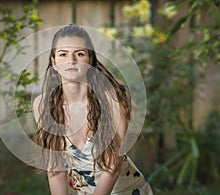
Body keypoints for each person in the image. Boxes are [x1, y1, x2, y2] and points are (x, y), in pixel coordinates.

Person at [32, 24, 153, 195]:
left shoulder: (111, 100)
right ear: (54, 62)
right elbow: (56, 171)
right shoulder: (42, 105)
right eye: (63, 54)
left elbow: (112, 169)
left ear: (90, 59)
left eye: (79, 54)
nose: (71, 60)